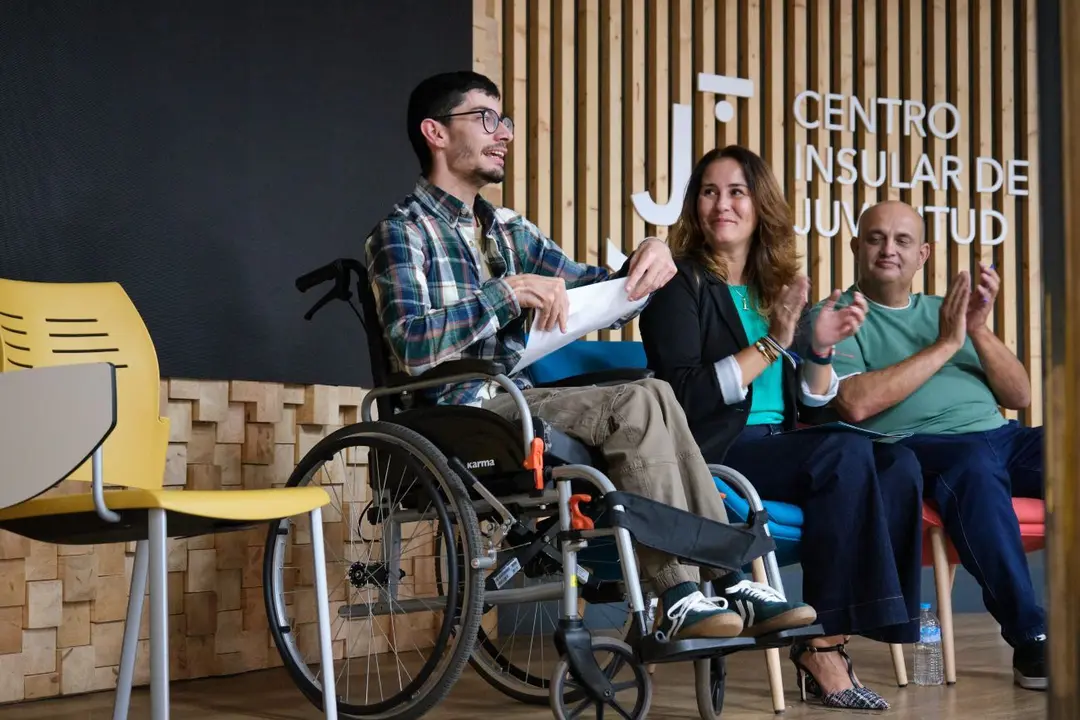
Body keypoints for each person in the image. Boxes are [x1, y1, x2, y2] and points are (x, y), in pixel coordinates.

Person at [364, 71, 816, 645]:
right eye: (485, 118)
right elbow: (410, 345)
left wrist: (651, 255)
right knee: (637, 399)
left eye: (503, 120)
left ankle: (723, 580)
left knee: (652, 393)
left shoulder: (507, 232)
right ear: (435, 132)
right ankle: (681, 592)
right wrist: (509, 294)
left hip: (511, 401)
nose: (503, 133)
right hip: (452, 414)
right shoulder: (402, 232)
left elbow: (606, 290)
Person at [638, 145, 927, 711]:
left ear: (760, 204)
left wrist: (819, 347)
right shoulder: (680, 285)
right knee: (843, 454)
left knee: (900, 461)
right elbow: (685, 398)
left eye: (737, 192)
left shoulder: (778, 289)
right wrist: (772, 341)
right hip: (716, 452)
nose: (722, 204)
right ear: (695, 206)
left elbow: (815, 408)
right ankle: (822, 648)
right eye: (709, 191)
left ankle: (840, 632)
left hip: (784, 446)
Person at [817, 199, 1046, 691]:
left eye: (902, 241)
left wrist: (977, 329)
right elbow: (854, 403)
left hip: (1003, 437)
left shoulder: (948, 311)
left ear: (922, 254)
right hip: (921, 448)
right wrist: (944, 344)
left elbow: (1020, 395)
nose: (888, 250)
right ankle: (1033, 638)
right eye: (876, 238)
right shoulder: (838, 315)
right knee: (974, 466)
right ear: (856, 247)